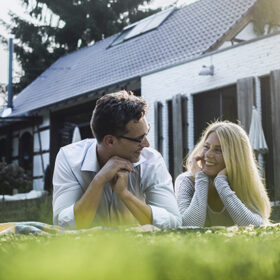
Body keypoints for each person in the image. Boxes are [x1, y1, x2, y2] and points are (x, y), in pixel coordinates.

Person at [53, 90, 181, 229]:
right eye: (139, 139)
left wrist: (124, 194)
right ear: (110, 141)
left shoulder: (151, 160)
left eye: (146, 133)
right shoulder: (69, 159)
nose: (147, 144)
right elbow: (63, 226)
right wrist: (99, 180)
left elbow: (174, 223)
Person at [175, 121, 271, 227]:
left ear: (235, 158)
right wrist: (201, 180)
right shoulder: (186, 181)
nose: (208, 155)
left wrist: (221, 184)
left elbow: (256, 226)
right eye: (206, 147)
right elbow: (188, 225)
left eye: (218, 150)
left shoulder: (245, 183)